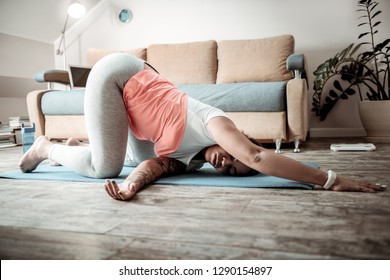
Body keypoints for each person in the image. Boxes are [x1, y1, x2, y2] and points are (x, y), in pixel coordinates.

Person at [19, 54, 386, 201]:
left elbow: (152, 168)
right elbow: (257, 156)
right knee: (105, 168)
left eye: (228, 170)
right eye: (233, 157)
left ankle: (70, 148)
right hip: (119, 74)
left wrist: (133, 188)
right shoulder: (217, 121)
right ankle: (45, 148)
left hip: (134, 100)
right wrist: (329, 179)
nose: (226, 163)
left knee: (129, 166)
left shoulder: (190, 162)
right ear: (235, 141)